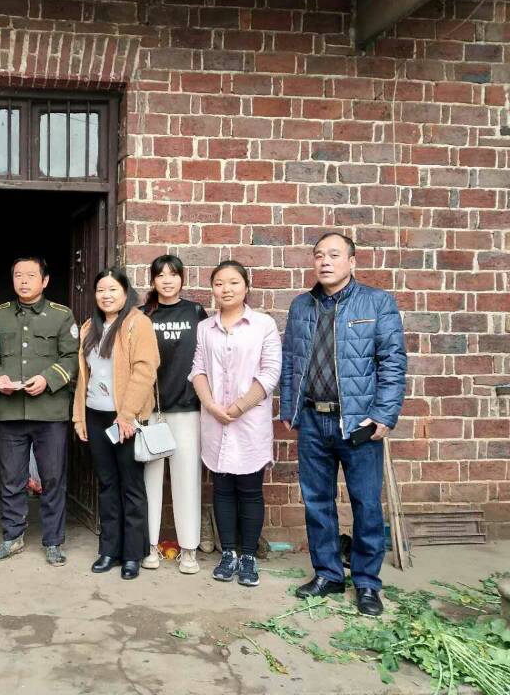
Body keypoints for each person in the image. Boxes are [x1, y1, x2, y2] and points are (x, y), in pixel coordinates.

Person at [281, 233, 406, 616]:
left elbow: (393, 361)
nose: (325, 262)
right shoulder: (301, 305)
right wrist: (289, 407)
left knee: (366, 504)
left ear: (352, 262)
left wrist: (384, 414)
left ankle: (367, 583)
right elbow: (290, 360)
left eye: (334, 255)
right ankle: (328, 574)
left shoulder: (377, 302)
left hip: (358, 422)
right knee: (317, 502)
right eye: (319, 255)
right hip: (313, 420)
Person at [190, 261, 281, 587]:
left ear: (246, 286)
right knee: (222, 489)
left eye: (233, 282)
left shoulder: (263, 325)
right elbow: (198, 369)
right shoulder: (205, 328)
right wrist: (211, 405)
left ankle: (248, 556)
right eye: (219, 283)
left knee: (250, 490)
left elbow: (270, 372)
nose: (226, 289)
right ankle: (228, 553)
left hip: (249, 421)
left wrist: (239, 406)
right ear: (212, 288)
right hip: (215, 419)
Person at [0, 257, 78, 567]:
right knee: (11, 479)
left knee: (53, 479)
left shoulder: (61, 315)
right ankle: (12, 536)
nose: (23, 281)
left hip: (49, 412)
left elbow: (72, 357)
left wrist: (48, 379)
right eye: (18, 275)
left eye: (30, 275)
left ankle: (53, 541)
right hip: (10, 411)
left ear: (45, 280)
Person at [72, 267, 159, 581]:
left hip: (126, 418)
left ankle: (133, 554)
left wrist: (127, 415)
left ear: (125, 292)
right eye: (100, 290)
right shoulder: (89, 327)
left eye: (112, 290)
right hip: (96, 415)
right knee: (107, 484)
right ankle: (109, 549)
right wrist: (79, 416)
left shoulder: (138, 323)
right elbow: (84, 377)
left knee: (131, 485)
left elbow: (145, 370)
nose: (106, 296)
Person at [140, 255, 208, 575]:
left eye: (173, 274)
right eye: (160, 275)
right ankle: (149, 546)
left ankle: (189, 549)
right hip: (151, 410)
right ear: (152, 280)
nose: (167, 280)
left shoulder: (195, 312)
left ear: (182, 278)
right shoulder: (143, 315)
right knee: (150, 480)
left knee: (187, 480)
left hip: (187, 408)